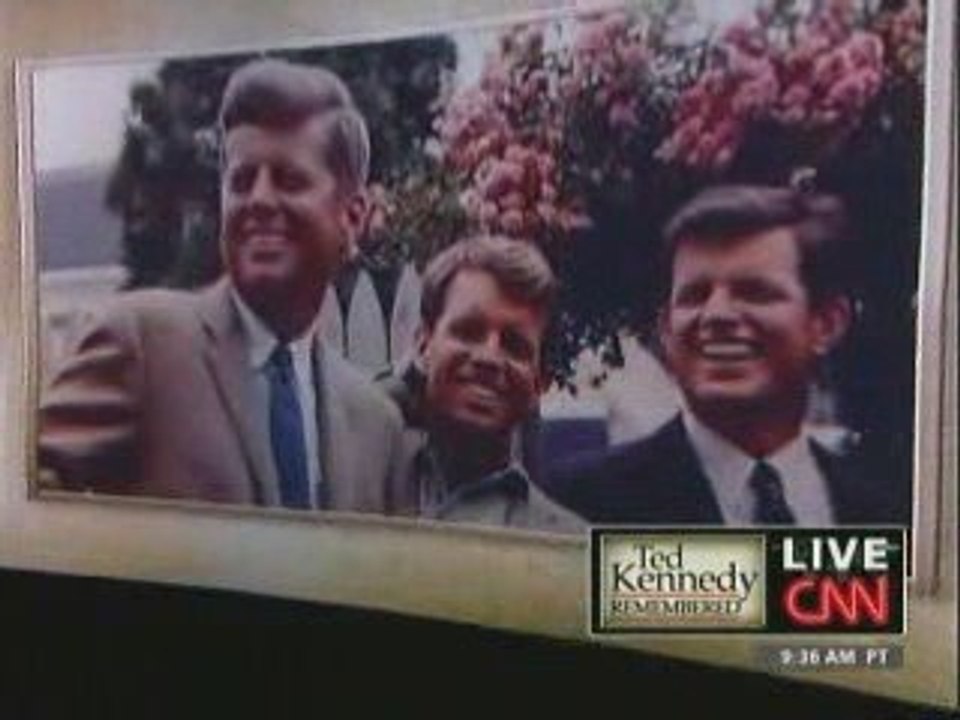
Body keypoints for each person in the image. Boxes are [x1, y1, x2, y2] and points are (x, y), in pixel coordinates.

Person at [39, 59, 405, 513]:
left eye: (290, 180)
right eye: (242, 181)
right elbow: (23, 506)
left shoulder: (377, 426)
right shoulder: (142, 343)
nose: (260, 200)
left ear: (352, 217)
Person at [549, 184, 907, 526]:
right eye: (695, 295)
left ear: (826, 324)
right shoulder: (575, 507)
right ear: (667, 329)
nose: (717, 314)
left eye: (754, 292)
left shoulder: (886, 513)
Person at [381, 236, 583, 533]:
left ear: (539, 381)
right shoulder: (356, 479)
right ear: (423, 347)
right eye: (468, 332)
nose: (489, 357)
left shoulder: (566, 542)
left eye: (514, 346)